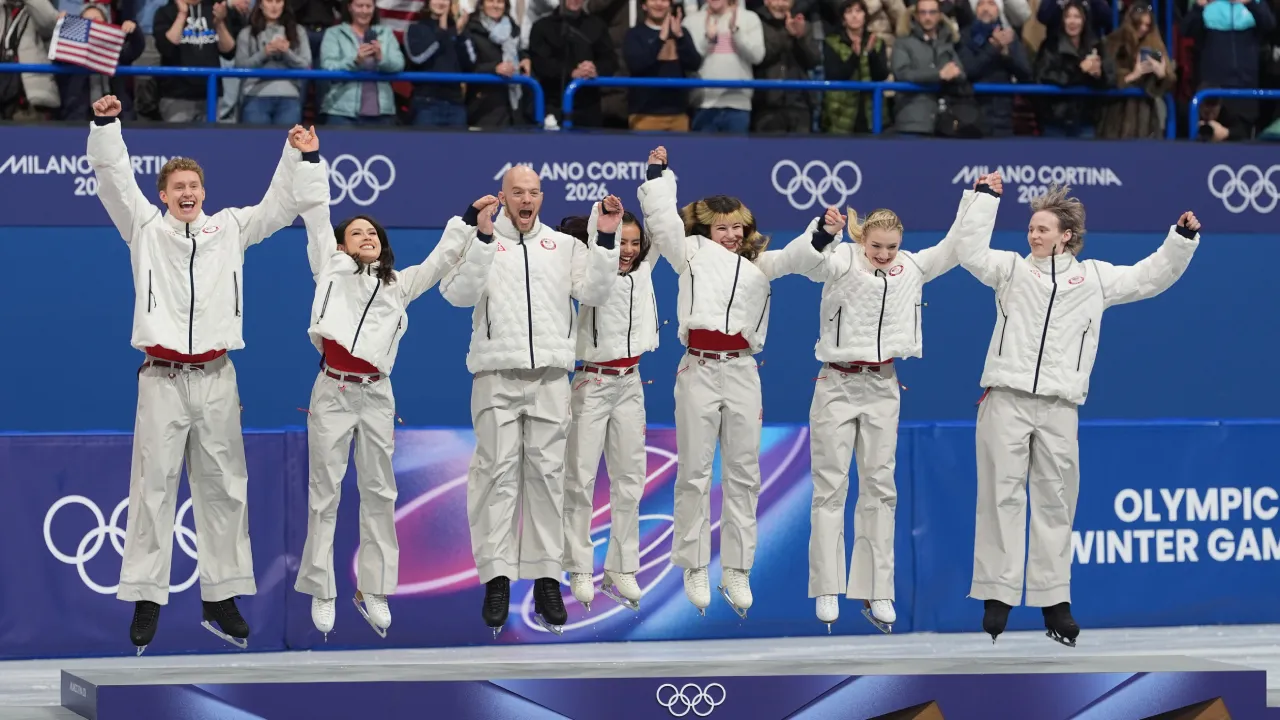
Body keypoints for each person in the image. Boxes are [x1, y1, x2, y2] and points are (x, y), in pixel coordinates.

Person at [86, 95, 307, 654]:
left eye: (194, 187)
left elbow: (279, 206)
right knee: (153, 488)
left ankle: (221, 597)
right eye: (177, 188)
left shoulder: (229, 229)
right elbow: (113, 180)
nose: (187, 195)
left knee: (225, 490)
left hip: (217, 377)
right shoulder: (144, 230)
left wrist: (296, 154)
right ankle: (145, 596)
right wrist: (107, 126)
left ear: (203, 193)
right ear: (163, 195)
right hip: (160, 378)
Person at [956, 172, 1200, 646]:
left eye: (1042, 229)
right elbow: (968, 251)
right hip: (1005, 397)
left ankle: (1054, 600)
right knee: (999, 496)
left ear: (1067, 235)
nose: (1033, 235)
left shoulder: (1095, 279)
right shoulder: (1010, 269)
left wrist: (1181, 240)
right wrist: (985, 199)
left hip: (1060, 405)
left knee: (1055, 502)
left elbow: (1150, 276)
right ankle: (997, 593)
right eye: (1030, 228)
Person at [289, 127, 497, 639]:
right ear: (341, 245)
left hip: (377, 395)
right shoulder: (329, 270)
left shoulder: (398, 286)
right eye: (357, 233)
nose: (367, 238)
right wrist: (312, 157)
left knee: (380, 491)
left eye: (373, 234)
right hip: (332, 391)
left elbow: (442, 260)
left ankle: (374, 587)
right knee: (325, 494)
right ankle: (323, 588)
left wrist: (470, 221)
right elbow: (316, 214)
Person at [636, 146, 843, 618]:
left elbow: (796, 257)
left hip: (743, 371)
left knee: (744, 474)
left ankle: (737, 568)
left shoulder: (759, 264)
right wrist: (658, 174)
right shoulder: (688, 253)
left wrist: (824, 231)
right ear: (706, 229)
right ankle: (692, 562)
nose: (730, 235)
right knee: (693, 469)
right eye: (721, 227)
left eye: (737, 227)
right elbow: (664, 222)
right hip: (698, 369)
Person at [443, 166, 621, 637]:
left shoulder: (565, 247)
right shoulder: (482, 240)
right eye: (517, 192)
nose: (527, 199)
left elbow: (597, 291)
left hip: (550, 377)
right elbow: (456, 294)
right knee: (494, 477)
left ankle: (547, 578)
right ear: (502, 196)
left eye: (534, 192)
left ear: (542, 198)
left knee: (547, 479)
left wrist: (604, 236)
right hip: (495, 374)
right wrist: (480, 242)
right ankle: (496, 578)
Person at [802, 191, 987, 633]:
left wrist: (980, 199)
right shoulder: (844, 260)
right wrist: (823, 233)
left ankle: (876, 587)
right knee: (830, 486)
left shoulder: (914, 268)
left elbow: (957, 242)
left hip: (884, 385)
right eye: (876, 246)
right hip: (835, 383)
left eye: (891, 247)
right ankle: (828, 583)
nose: (883, 255)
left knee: (880, 488)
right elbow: (811, 264)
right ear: (862, 238)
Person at [561, 200, 660, 615]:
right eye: (622, 240)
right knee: (580, 478)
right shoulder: (585, 271)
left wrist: (657, 175)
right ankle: (579, 566)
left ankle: (621, 568)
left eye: (636, 242)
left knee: (630, 480)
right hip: (591, 381)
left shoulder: (645, 271)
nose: (630, 250)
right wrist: (603, 223)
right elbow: (591, 242)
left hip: (631, 383)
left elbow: (664, 223)